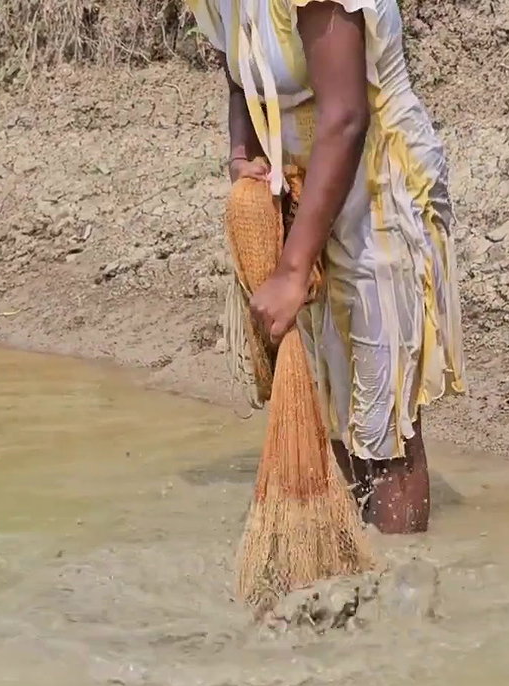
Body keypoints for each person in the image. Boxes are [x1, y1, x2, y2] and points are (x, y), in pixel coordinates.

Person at [188, 0, 465, 533]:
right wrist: (242, 157)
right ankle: (358, 563)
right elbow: (240, 80)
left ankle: (404, 590)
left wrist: (293, 272)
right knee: (332, 407)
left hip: (379, 186)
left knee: (384, 427)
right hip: (302, 188)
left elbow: (346, 116)